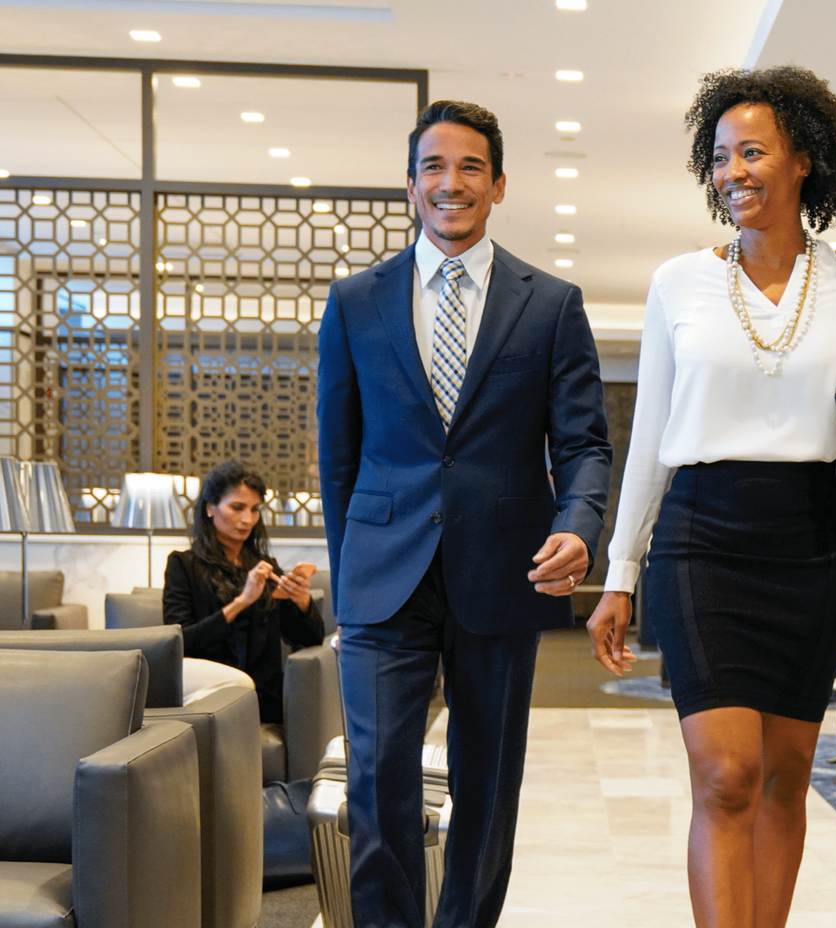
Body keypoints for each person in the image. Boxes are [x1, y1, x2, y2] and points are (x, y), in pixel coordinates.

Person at [586, 65, 836, 928]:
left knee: (788, 776)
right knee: (727, 776)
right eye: (719, 157)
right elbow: (649, 440)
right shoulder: (678, 282)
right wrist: (621, 569)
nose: (733, 172)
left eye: (752, 151)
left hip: (811, 544)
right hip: (701, 539)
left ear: (805, 160)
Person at [317, 100, 611, 928]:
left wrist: (580, 526)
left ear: (500, 183)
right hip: (383, 578)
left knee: (486, 786)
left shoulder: (551, 303)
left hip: (504, 569)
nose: (452, 183)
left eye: (471, 167)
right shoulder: (355, 301)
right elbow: (338, 456)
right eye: (435, 168)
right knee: (377, 778)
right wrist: (350, 585)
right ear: (409, 185)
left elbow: (586, 444)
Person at [163, 460, 324, 724]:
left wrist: (303, 601)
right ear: (210, 509)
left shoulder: (266, 567)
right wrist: (242, 601)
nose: (247, 519)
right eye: (237, 507)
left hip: (264, 697)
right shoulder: (183, 565)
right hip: (208, 693)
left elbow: (310, 639)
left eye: (255, 509)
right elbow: (178, 642)